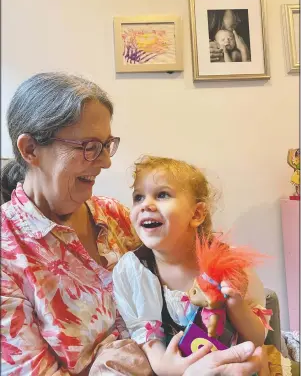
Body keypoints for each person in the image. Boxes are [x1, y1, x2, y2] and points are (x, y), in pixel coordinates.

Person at [1, 72, 265, 376]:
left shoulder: (115, 216)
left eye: (106, 145)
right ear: (31, 150)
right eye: (88, 146)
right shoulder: (8, 254)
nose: (105, 162)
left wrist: (246, 344)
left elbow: (201, 272)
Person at [113, 155, 271, 376]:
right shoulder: (134, 270)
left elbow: (256, 339)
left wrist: (237, 306)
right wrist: (167, 368)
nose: (146, 204)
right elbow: (146, 338)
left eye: (162, 195)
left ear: (196, 214)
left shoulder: (228, 263)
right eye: (138, 197)